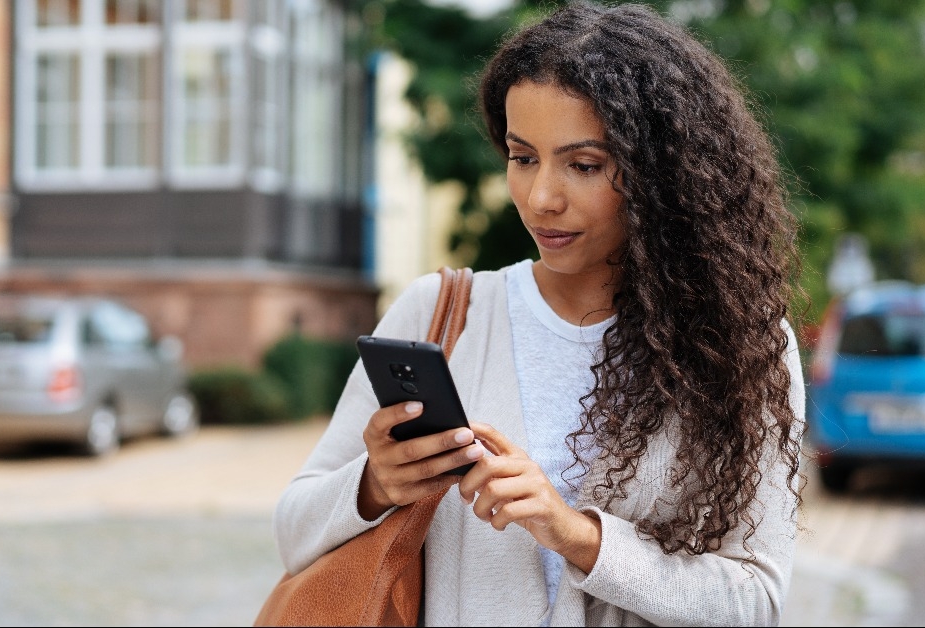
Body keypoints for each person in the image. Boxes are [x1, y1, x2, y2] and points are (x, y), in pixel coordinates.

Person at [272, 2, 806, 625]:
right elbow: (293, 529)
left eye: (584, 165)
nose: (541, 197)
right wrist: (374, 485)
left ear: (663, 175)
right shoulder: (439, 314)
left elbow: (755, 601)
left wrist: (575, 535)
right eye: (523, 158)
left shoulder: (739, 345)